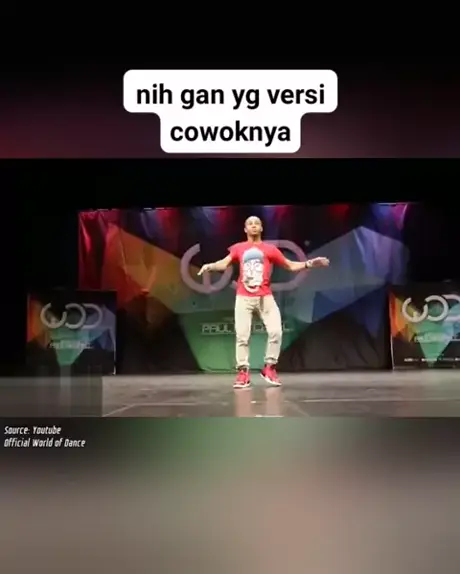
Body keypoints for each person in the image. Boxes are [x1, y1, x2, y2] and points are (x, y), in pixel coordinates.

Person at [198, 216, 330, 389]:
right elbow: (224, 264)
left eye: (256, 224)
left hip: (265, 297)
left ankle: (269, 367)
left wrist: (310, 263)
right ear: (245, 229)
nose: (253, 226)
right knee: (242, 336)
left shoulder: (270, 249)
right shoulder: (239, 248)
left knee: (276, 332)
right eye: (250, 224)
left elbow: (290, 265)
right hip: (244, 297)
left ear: (261, 228)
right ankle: (243, 373)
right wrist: (210, 266)